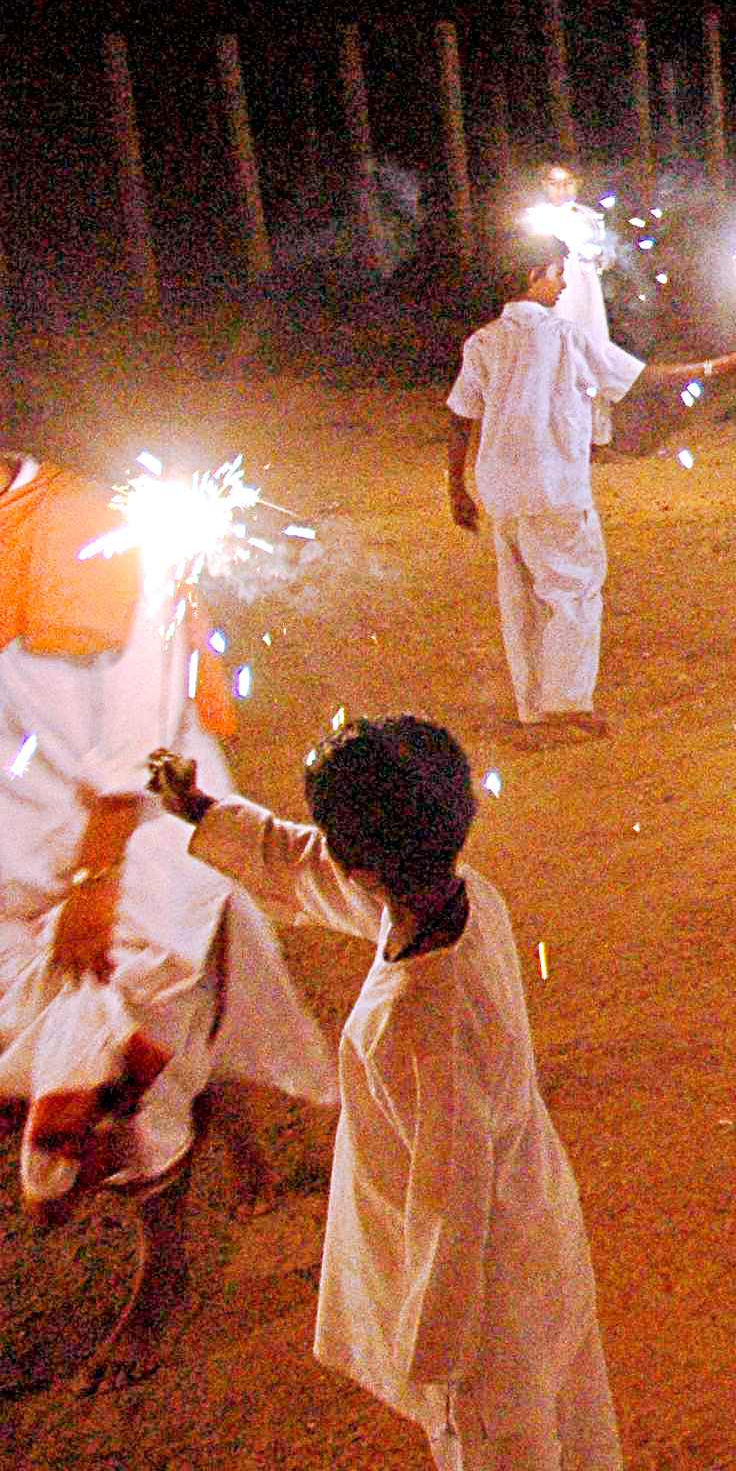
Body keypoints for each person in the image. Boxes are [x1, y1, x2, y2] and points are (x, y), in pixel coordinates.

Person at [156, 718, 625, 1471]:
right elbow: (317, 871)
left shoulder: (419, 1021)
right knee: (574, 1422)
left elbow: (452, 1205)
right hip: (536, 1232)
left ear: (364, 868)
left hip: (486, 1313)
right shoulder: (465, 896)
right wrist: (205, 813)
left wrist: (434, 1357)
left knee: (509, 1444)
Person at [1, 450, 335, 1389]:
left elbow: (142, 729)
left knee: (124, 1054)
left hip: (129, 845)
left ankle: (164, 1273)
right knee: (141, 1033)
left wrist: (96, 877)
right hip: (19, 852)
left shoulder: (95, 530)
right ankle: (234, 1144)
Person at [447, 250, 736, 735]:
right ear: (533, 275)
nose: (564, 286)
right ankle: (567, 706)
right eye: (558, 275)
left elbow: (460, 415)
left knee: (520, 599)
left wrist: (456, 487)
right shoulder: (565, 336)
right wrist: (713, 367)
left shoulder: (483, 341)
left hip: (501, 487)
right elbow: (639, 379)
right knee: (573, 589)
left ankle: (533, 708)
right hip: (554, 483)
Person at [524, 166, 618, 446]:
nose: (562, 189)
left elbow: (608, 258)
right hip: (554, 300)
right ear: (544, 185)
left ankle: (596, 438)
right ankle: (555, 437)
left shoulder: (591, 217)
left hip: (587, 300)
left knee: (591, 357)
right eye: (555, 183)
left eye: (568, 183)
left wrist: (599, 254)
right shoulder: (536, 219)